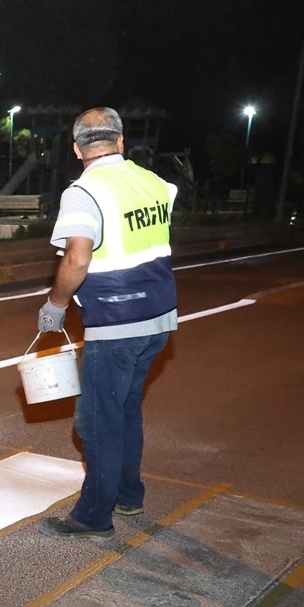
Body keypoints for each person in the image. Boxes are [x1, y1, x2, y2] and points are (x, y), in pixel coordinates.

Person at [35, 106, 178, 540]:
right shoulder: (155, 183)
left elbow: (78, 256)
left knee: (95, 421)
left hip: (117, 322)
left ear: (77, 149)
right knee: (125, 408)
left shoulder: (85, 191)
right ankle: (129, 495)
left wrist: (56, 304)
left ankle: (94, 516)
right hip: (159, 319)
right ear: (120, 141)